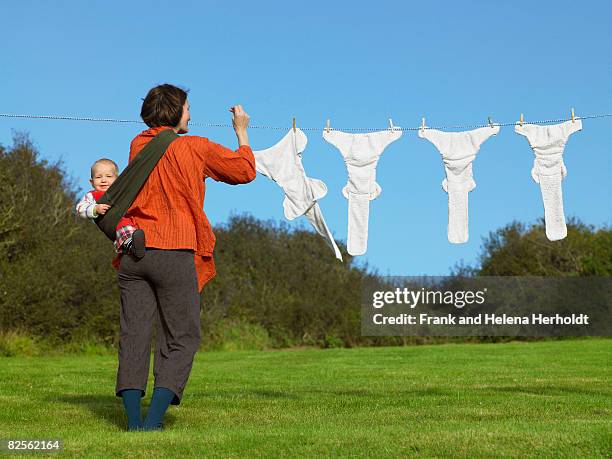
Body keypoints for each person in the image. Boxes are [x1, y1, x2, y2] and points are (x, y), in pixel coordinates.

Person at [115, 83, 256, 431]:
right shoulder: (196, 147)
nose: (191, 114)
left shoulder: (139, 144)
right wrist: (242, 132)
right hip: (174, 251)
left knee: (134, 335)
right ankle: (152, 424)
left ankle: (133, 423)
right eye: (188, 108)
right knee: (181, 337)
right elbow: (244, 171)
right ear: (177, 112)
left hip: (135, 251)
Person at [75, 158, 146, 257]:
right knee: (124, 225)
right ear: (91, 182)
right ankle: (130, 244)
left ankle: (137, 243)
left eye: (108, 176)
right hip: (115, 223)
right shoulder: (92, 195)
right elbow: (80, 209)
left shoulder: (121, 193)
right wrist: (95, 209)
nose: (104, 180)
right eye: (98, 177)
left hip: (133, 221)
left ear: (117, 180)